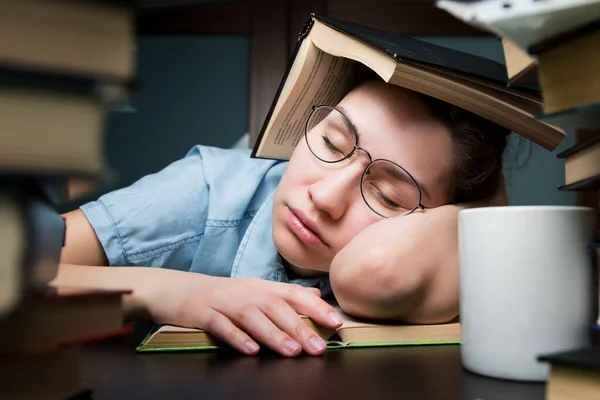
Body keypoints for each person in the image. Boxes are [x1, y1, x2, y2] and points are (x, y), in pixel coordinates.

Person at [53, 79, 509, 357]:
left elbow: (376, 271)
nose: (325, 197)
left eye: (388, 196)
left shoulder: (430, 254)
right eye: (331, 143)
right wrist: (160, 291)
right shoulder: (205, 191)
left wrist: (484, 215)